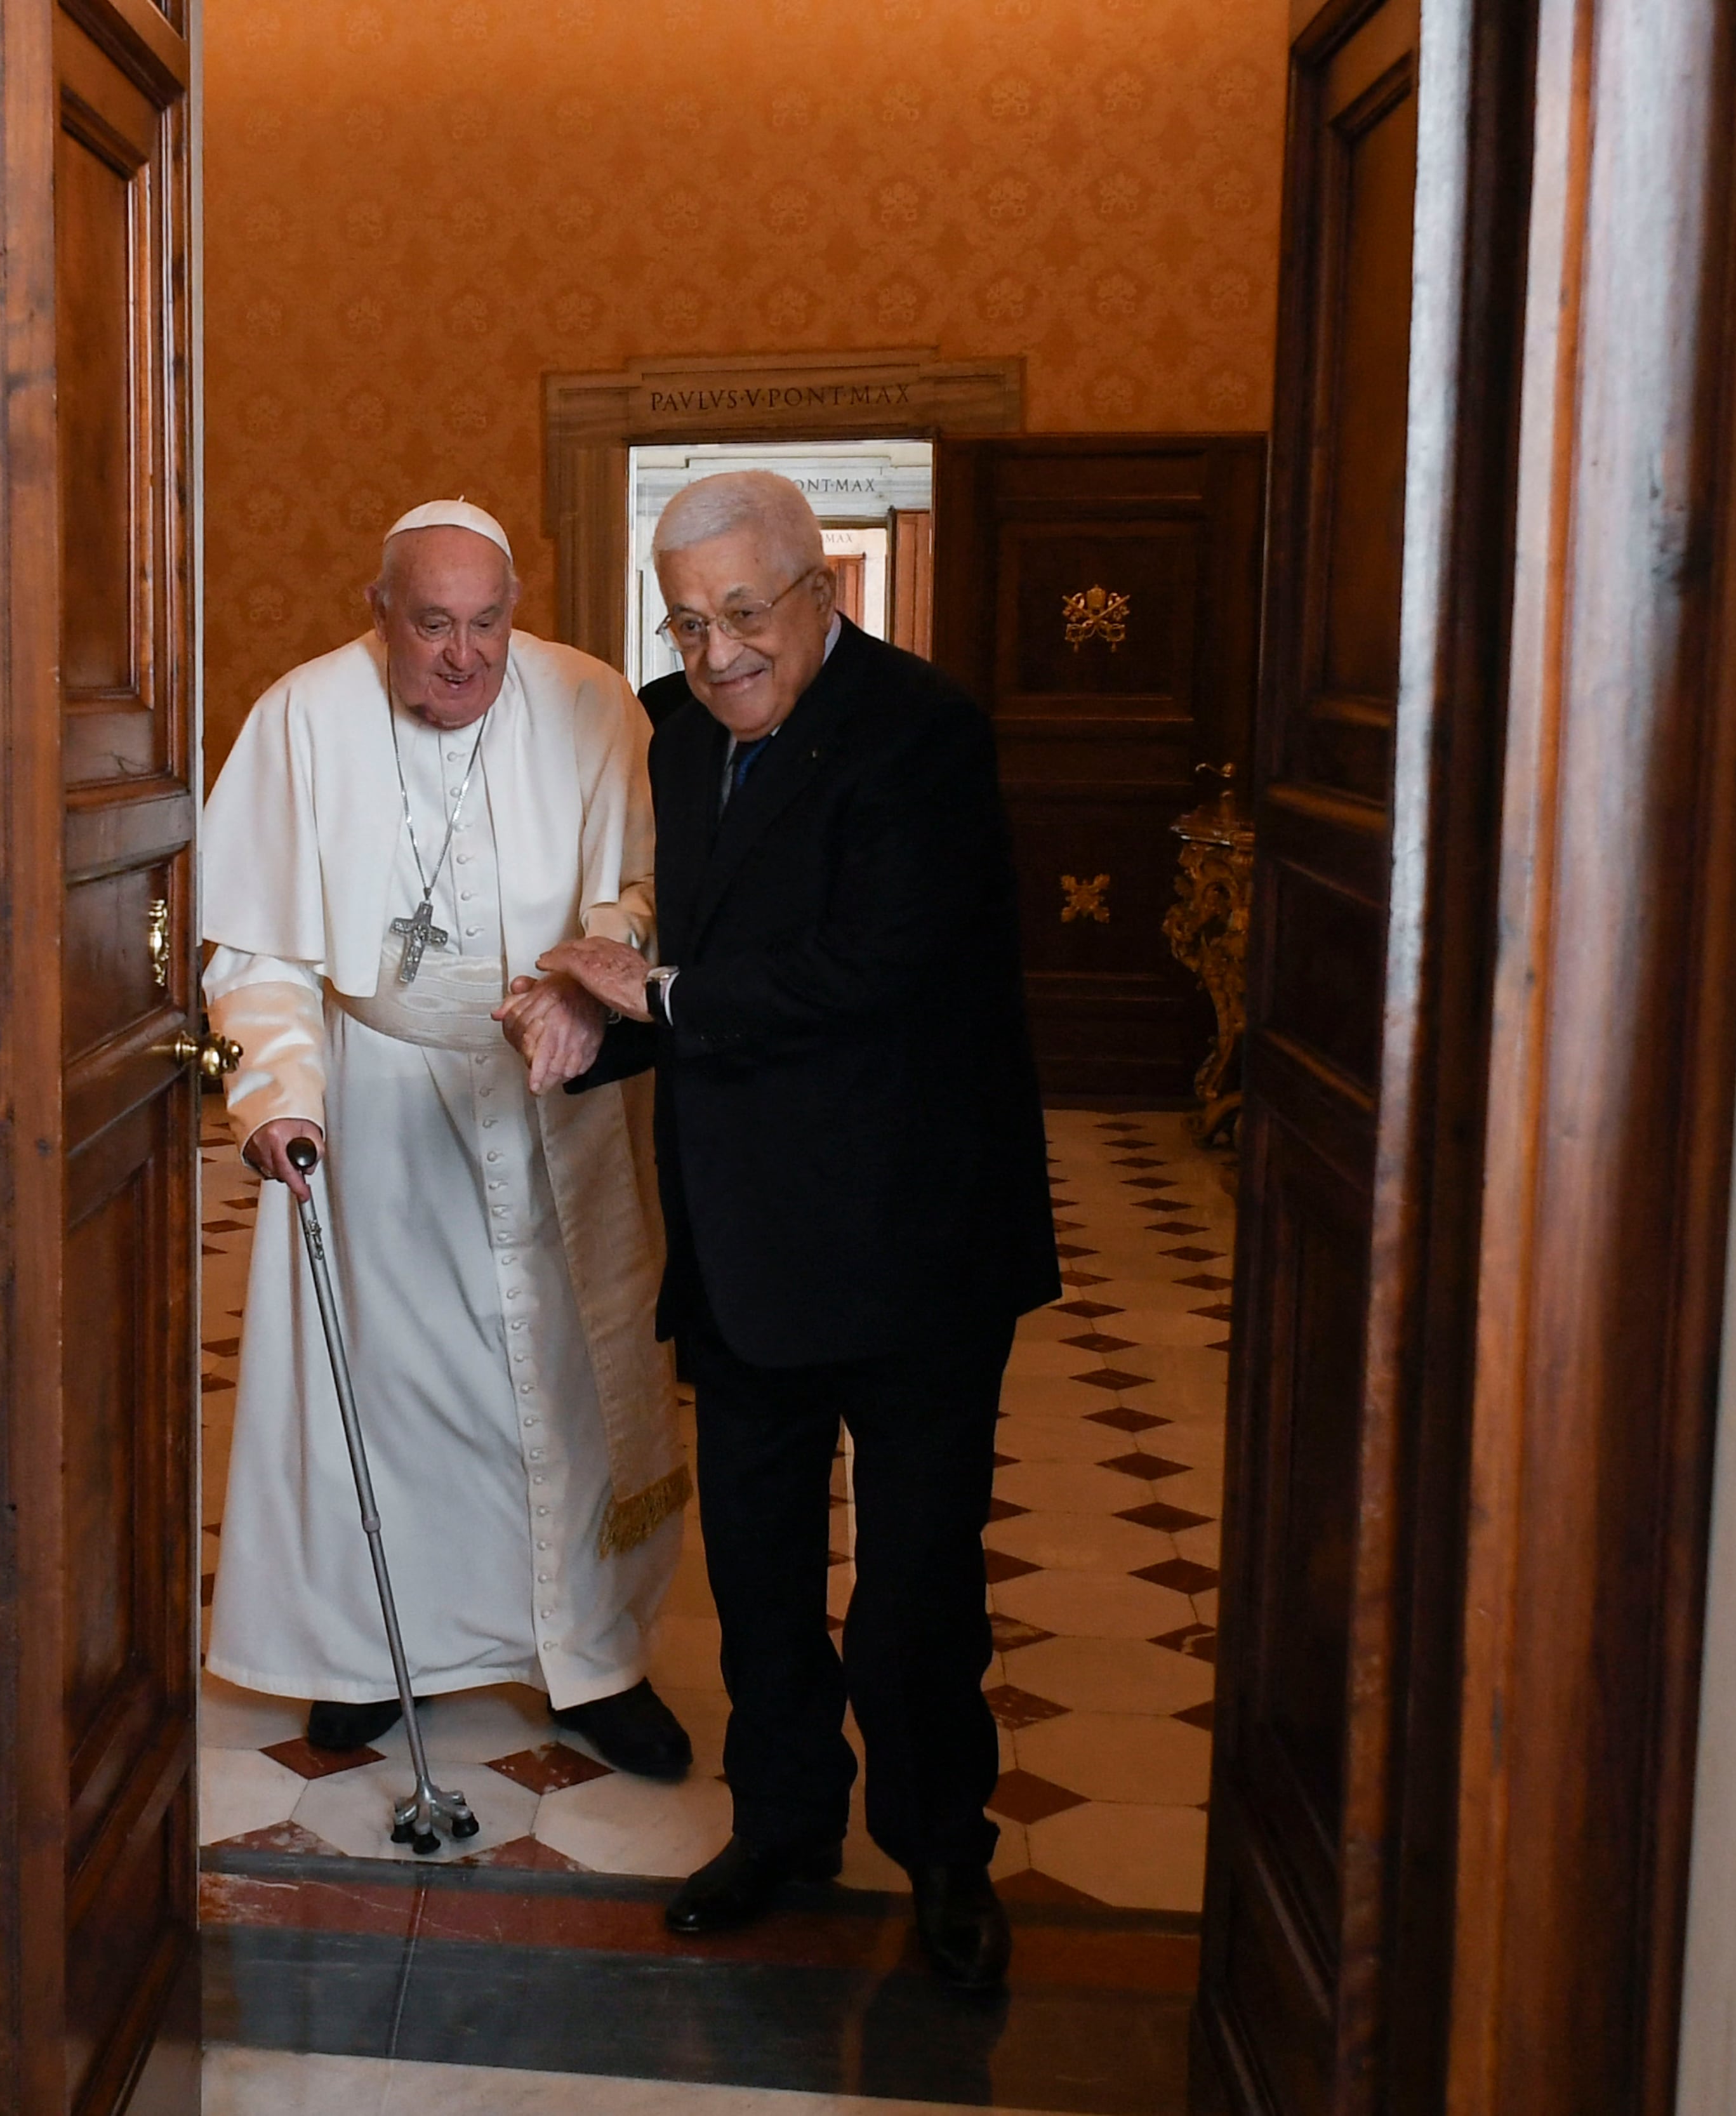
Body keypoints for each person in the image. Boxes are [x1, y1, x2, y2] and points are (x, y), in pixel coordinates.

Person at [508, 470, 1057, 1988]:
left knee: (915, 1586)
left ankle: (947, 1850)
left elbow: (869, 971)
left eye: (747, 611)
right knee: (756, 1573)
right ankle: (784, 1826)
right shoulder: (681, 745)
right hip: (748, 1237)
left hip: (916, 1243)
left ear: (824, 590)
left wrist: (653, 1001)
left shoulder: (923, 732)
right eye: (689, 620)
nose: (719, 648)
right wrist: (580, 1025)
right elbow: (688, 976)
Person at [199, 499, 694, 1779]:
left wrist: (586, 981)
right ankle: (376, 1652)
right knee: (389, 1383)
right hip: (378, 1081)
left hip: (553, 1081)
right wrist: (282, 1093)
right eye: (433, 626)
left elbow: (639, 888)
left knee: (565, 1384)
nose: (463, 656)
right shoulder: (302, 716)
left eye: (486, 624)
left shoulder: (592, 703)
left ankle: (588, 1658)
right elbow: (256, 944)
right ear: (382, 614)